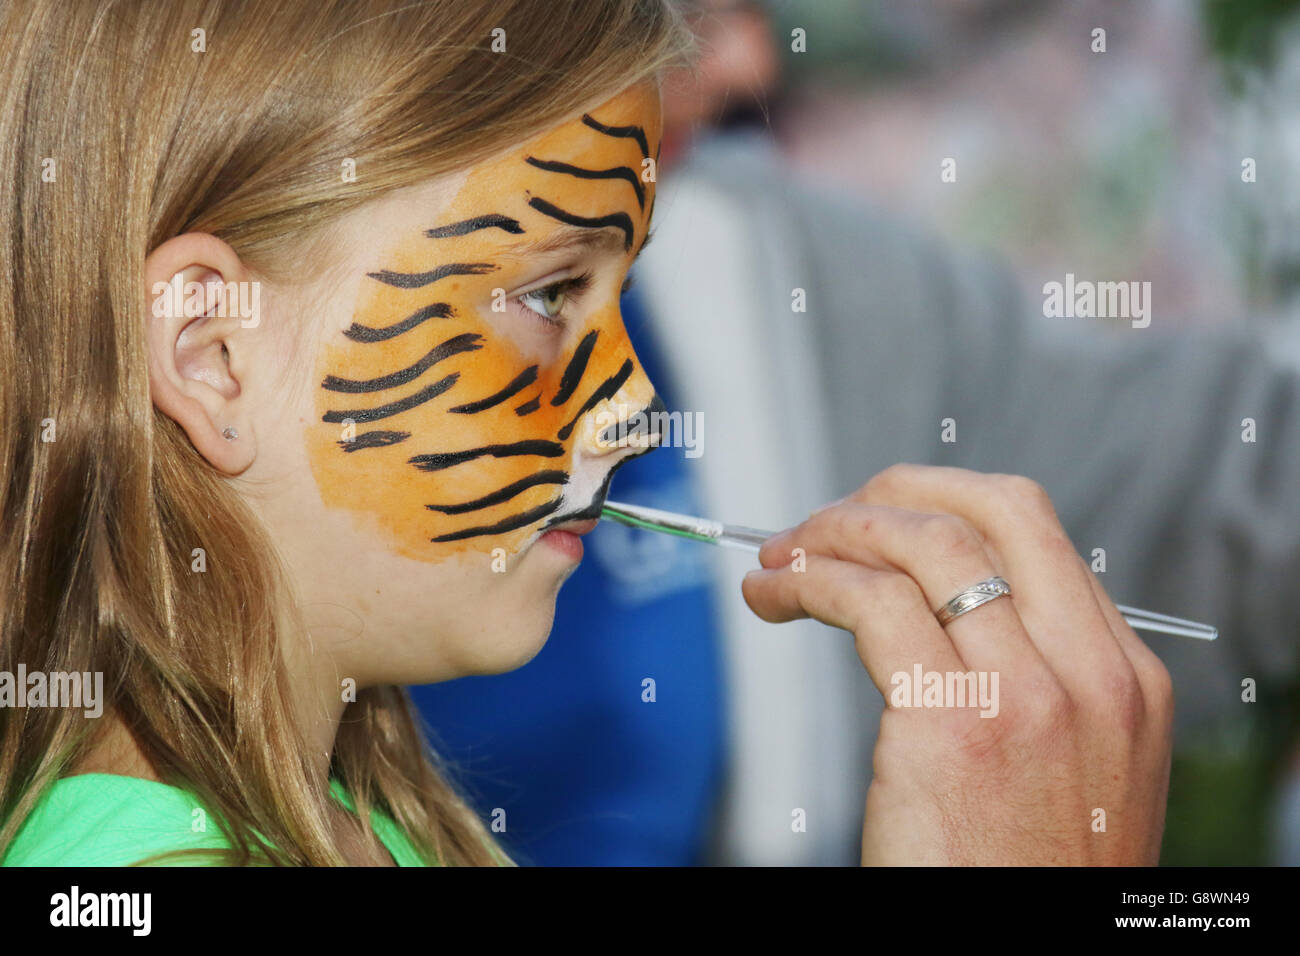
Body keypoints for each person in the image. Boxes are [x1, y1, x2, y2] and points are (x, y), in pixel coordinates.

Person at [0, 0, 1172, 867]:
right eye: (551, 294)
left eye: (620, 293)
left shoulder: (363, 819)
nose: (634, 406)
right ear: (213, 353)